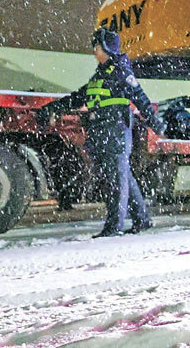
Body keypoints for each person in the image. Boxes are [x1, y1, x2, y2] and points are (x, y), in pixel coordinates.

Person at [36, 28, 166, 237]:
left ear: (106, 48)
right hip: (103, 131)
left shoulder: (121, 71)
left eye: (97, 47)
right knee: (123, 176)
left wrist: (155, 124)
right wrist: (52, 107)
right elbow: (79, 97)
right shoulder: (100, 75)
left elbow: (140, 98)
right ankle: (142, 219)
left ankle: (114, 226)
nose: (94, 51)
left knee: (116, 180)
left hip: (115, 131)